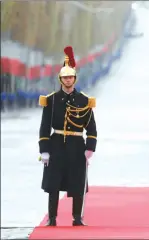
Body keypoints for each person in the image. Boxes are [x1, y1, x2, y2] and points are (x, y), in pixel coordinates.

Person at [38, 46, 97, 226]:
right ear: (60, 79)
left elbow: (92, 129)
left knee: (78, 183)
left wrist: (89, 148)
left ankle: (77, 218)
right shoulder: (51, 100)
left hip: (77, 145)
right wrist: (44, 151)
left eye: (70, 77)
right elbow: (44, 128)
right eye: (65, 77)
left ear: (75, 79)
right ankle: (52, 218)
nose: (68, 80)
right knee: (53, 184)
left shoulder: (84, 101)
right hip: (56, 145)